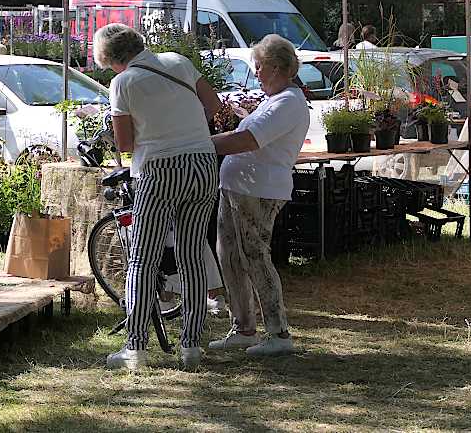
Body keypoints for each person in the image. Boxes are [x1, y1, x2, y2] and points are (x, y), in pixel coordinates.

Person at [94, 23, 222, 370]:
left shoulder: (122, 82)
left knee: (142, 258)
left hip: (157, 169)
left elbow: (124, 144)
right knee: (192, 255)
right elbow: (212, 104)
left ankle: (135, 347)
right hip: (202, 162)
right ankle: (191, 345)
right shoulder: (178, 61)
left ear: (112, 59)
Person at [209, 34, 310, 356]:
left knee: (255, 256)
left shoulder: (288, 102)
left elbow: (248, 140)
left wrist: (198, 144)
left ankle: (278, 333)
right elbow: (243, 134)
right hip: (238, 188)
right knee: (230, 255)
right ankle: (243, 328)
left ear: (276, 67)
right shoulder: (274, 98)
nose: (255, 73)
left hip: (258, 191)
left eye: (258, 67)